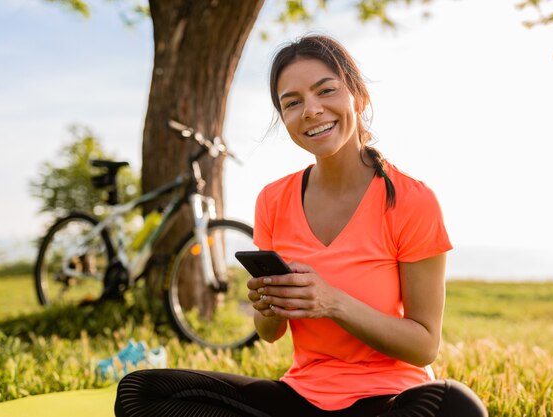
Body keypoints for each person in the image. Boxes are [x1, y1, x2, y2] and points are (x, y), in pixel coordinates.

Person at [114, 34, 488, 417]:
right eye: (292, 103)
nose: (311, 110)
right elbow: (268, 332)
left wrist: (332, 302)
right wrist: (269, 304)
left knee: (456, 406)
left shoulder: (410, 199)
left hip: (386, 401)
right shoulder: (273, 199)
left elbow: (424, 345)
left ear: (357, 98)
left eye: (326, 91)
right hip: (301, 399)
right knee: (140, 391)